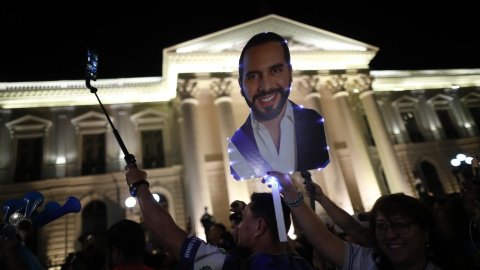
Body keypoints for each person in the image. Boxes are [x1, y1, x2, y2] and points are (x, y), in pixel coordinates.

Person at [265, 171, 467, 270]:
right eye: (381, 227)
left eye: (400, 225)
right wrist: (291, 192)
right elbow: (322, 239)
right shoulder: (368, 262)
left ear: (426, 230)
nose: (390, 234)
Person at [124, 165, 314, 269]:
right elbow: (281, 243)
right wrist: (255, 214)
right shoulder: (301, 264)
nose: (237, 226)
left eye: (243, 219)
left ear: (260, 227)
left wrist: (139, 185)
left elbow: (166, 232)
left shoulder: (233, 267)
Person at [228, 32, 329, 181]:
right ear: (241, 86)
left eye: (275, 71)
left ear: (290, 73)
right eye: (253, 76)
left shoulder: (312, 122)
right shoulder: (240, 143)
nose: (266, 86)